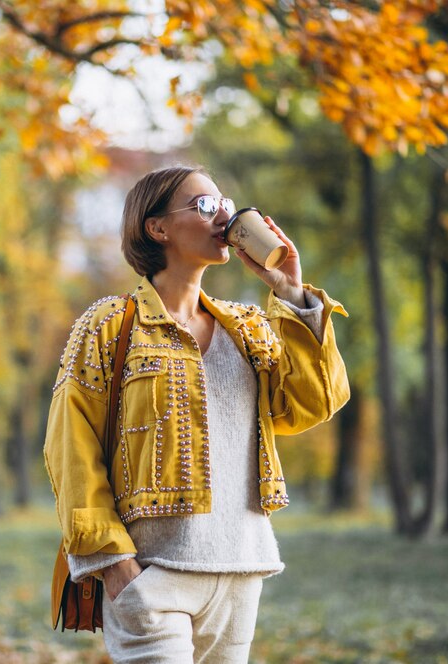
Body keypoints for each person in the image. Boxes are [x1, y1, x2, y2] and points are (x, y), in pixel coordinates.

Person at [44, 165, 350, 663]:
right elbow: (69, 448)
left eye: (224, 203)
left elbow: (312, 405)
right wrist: (115, 565)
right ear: (157, 227)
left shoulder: (249, 328)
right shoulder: (108, 325)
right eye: (204, 205)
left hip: (240, 574)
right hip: (151, 578)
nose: (223, 214)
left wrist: (291, 294)